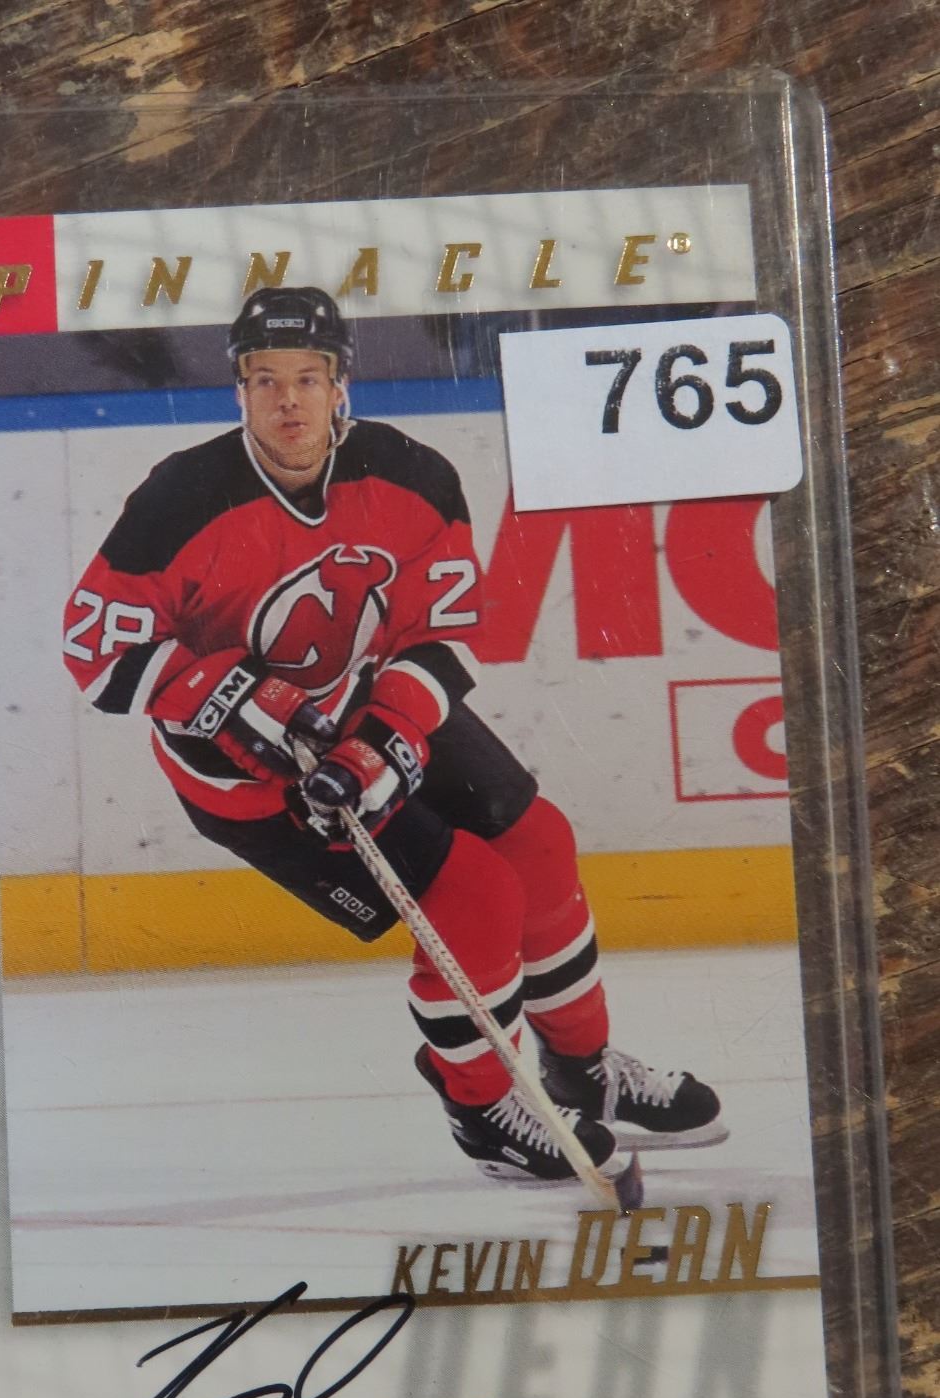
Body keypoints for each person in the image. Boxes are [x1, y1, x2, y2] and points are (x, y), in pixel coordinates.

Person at [62, 286, 725, 1183]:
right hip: (247, 778)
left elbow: (441, 638)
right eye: (265, 380)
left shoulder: (411, 475)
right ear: (239, 389)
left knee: (538, 843)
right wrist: (229, 696)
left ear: (340, 383)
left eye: (307, 378)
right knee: (475, 897)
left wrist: (386, 743)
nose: (287, 401)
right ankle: (484, 1112)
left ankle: (584, 1072)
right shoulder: (181, 497)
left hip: (365, 709)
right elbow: (96, 645)